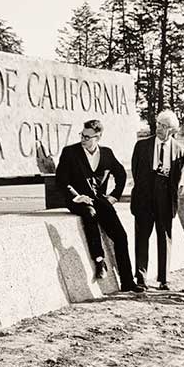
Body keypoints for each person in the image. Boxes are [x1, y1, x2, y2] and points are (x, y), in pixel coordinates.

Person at [56, 119, 143, 292]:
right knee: (90, 213)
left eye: (88, 137)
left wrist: (114, 196)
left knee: (121, 235)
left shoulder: (107, 154)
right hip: (77, 201)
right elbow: (61, 180)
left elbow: (121, 175)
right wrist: (77, 196)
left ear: (98, 137)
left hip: (100, 200)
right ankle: (99, 260)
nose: (83, 139)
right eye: (82, 135)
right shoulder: (70, 152)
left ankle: (127, 282)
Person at [130, 110, 184, 290]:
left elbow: (179, 179)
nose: (159, 128)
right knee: (142, 238)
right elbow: (136, 171)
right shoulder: (141, 146)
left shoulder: (180, 149)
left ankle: (163, 279)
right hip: (144, 198)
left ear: (172, 129)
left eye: (164, 126)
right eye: (158, 124)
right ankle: (141, 278)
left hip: (165, 199)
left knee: (165, 238)